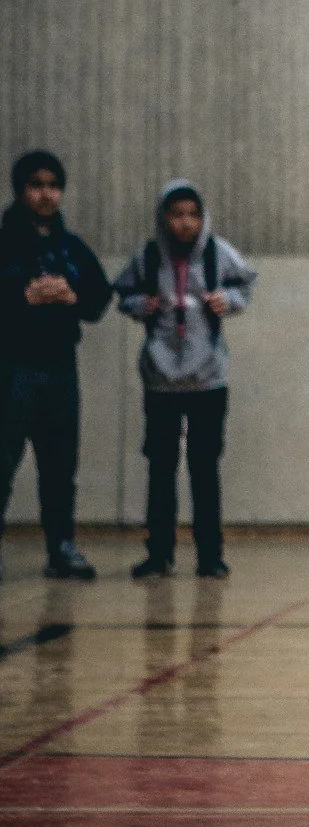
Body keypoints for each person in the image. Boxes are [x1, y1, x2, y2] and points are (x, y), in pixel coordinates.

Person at [113, 181, 255, 582]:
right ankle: (159, 555)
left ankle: (210, 556)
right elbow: (122, 293)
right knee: (160, 468)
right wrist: (142, 305)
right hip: (160, 380)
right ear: (163, 218)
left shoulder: (217, 253)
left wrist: (228, 302)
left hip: (208, 379)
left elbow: (244, 284)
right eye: (176, 214)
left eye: (193, 214)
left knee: (204, 468)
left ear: (203, 217)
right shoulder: (147, 257)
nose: (185, 223)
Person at [0, 149, 110, 581]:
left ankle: (61, 547)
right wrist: (20, 298)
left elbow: (101, 298)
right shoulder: (4, 241)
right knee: (3, 461)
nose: (46, 194)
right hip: (12, 367)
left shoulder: (72, 246)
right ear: (20, 189)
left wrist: (73, 297)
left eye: (53, 185)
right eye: (37, 185)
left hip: (60, 368)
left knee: (60, 463)